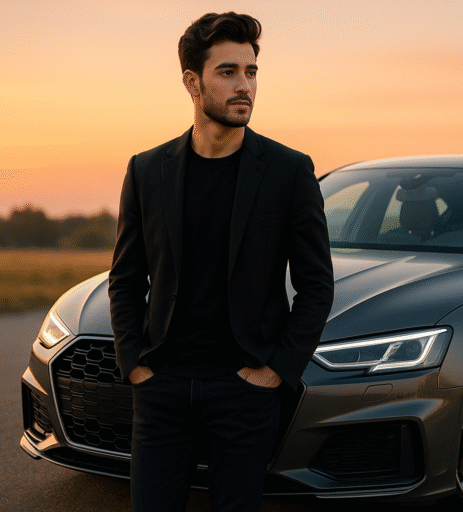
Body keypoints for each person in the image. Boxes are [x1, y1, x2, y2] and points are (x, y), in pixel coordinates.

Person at [108, 12, 334, 512]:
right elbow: (125, 278)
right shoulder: (146, 171)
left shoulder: (289, 171)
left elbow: (318, 285)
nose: (245, 85)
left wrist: (277, 370)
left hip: (245, 390)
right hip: (162, 387)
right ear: (192, 82)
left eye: (251, 72)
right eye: (228, 72)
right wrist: (135, 365)